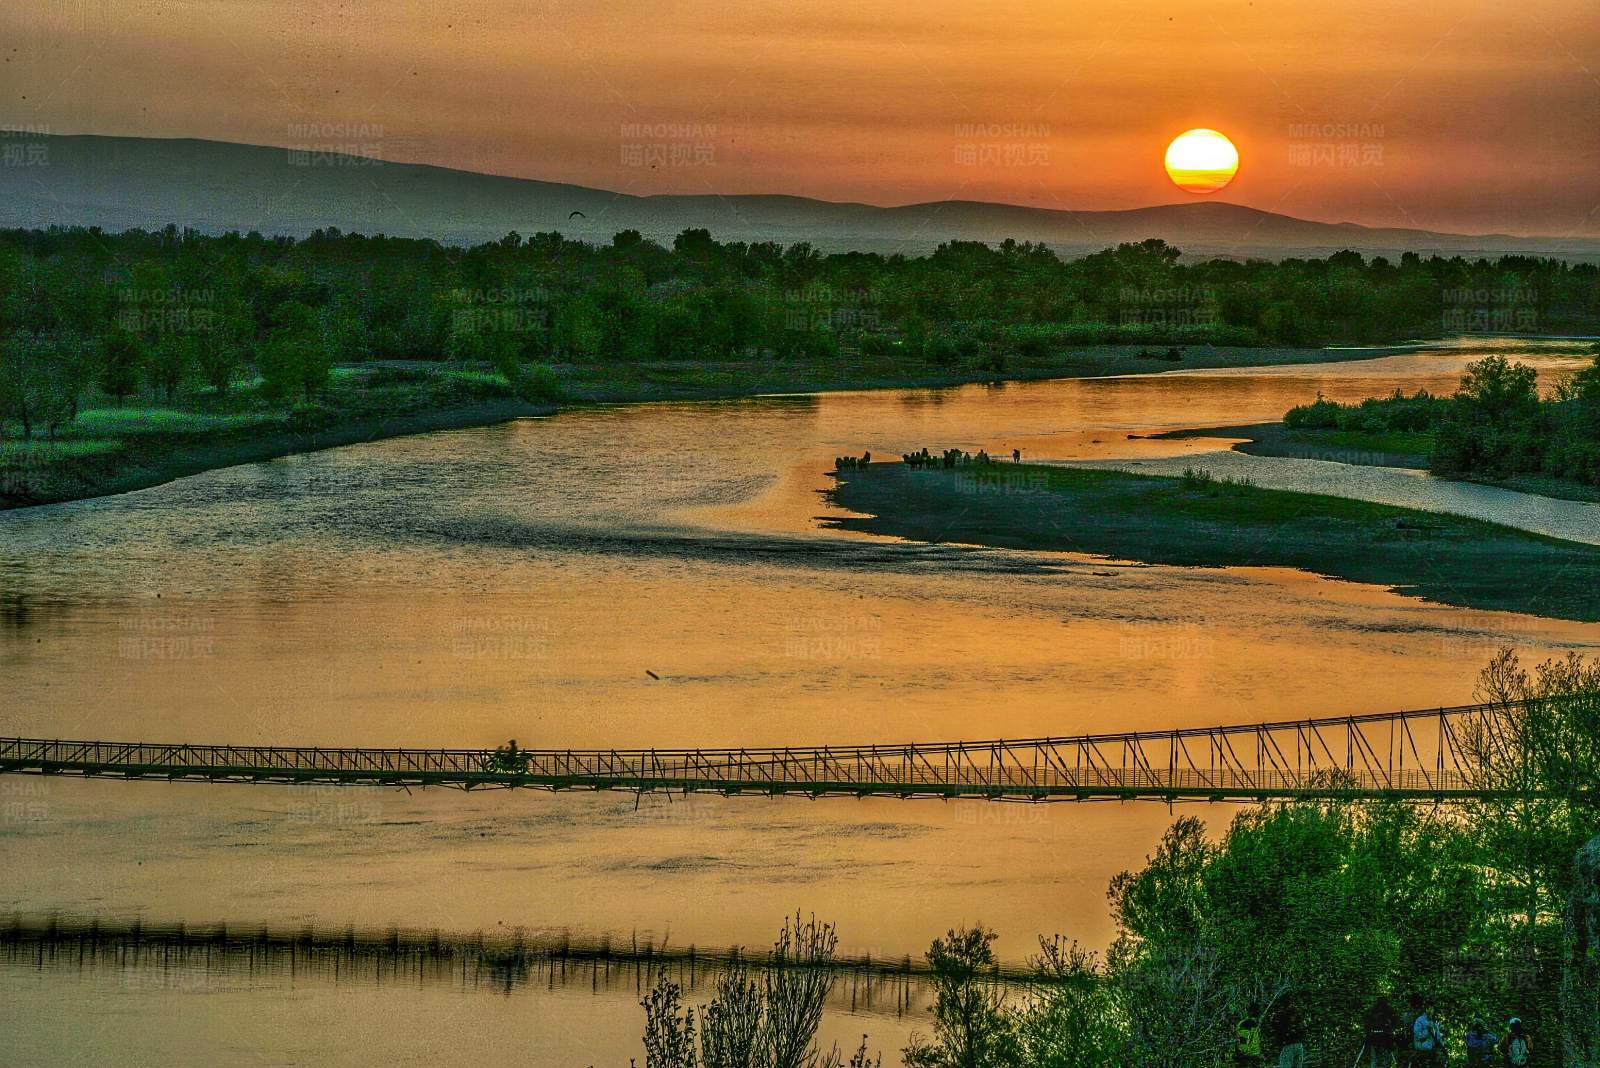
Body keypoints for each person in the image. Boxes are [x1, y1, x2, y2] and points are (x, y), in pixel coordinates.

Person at [1362, 996, 1402, 1068]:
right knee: (1385, 1058)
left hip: (1373, 1037)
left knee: (1374, 1058)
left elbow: (1366, 1023)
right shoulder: (1388, 1010)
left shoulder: (1372, 1010)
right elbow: (1395, 1021)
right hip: (1385, 1037)